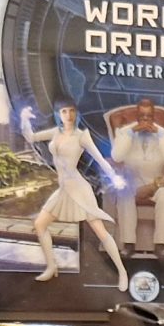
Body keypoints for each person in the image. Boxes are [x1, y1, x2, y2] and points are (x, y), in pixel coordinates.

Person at [20, 102, 128, 283]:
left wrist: (113, 177)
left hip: (78, 189)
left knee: (100, 231)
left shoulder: (82, 136)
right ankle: (51, 266)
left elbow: (99, 158)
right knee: (40, 225)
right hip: (64, 189)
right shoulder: (55, 132)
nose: (68, 115)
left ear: (76, 114)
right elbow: (31, 137)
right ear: (59, 114)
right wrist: (24, 120)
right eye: (64, 111)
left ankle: (122, 272)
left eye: (72, 111)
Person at [109, 98, 164, 260]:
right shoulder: (124, 132)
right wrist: (132, 132)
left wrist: (159, 135)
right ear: (136, 116)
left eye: (149, 116)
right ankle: (128, 244)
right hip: (131, 184)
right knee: (124, 194)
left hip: (156, 185)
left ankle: (160, 245)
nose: (145, 120)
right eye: (142, 116)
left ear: (154, 117)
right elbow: (116, 156)